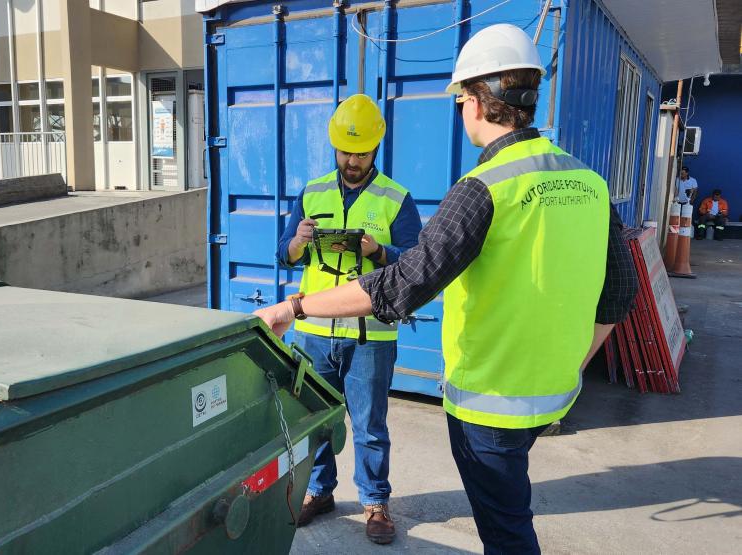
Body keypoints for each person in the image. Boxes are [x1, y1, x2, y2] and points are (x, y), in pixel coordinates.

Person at [256, 24, 638, 554]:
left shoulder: (484, 188)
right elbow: (620, 292)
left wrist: (294, 306)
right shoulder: (590, 183)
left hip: (490, 404)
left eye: (460, 101)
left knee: (508, 535)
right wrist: (572, 365)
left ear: (476, 102)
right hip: (554, 395)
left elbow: (403, 283)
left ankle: (377, 499)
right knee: (509, 519)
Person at [278, 93, 421, 544]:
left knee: (369, 426)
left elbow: (415, 264)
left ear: (375, 149)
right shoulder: (312, 192)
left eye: (360, 153)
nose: (352, 161)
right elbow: (283, 254)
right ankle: (319, 491)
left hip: (369, 335)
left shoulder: (396, 199)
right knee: (316, 420)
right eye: (345, 152)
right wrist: (298, 242)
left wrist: (378, 251)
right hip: (314, 334)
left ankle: (375, 502)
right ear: (335, 148)